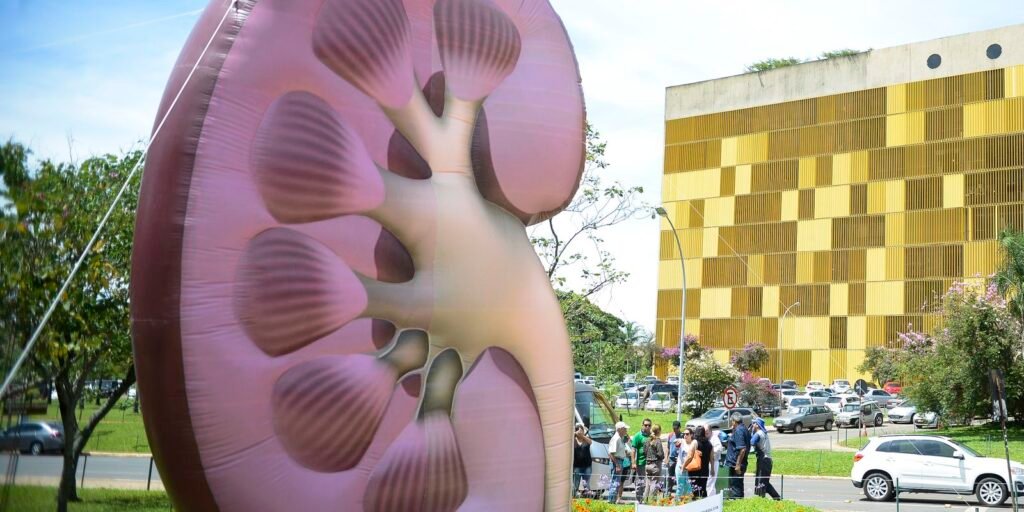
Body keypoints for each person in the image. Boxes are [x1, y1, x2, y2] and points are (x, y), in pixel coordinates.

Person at [750, 419, 781, 499]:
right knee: (764, 482)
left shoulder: (758, 434)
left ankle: (773, 498)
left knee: (762, 482)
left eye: (754, 423)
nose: (752, 425)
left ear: (757, 425)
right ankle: (777, 498)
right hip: (766, 460)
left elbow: (752, 442)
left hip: (764, 460)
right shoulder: (763, 433)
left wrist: (751, 432)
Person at [724, 413, 750, 499]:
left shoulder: (739, 431)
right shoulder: (743, 428)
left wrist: (738, 465)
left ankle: (737, 503)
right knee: (737, 486)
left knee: (736, 489)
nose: (731, 423)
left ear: (734, 421)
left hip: (735, 464)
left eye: (732, 421)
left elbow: (742, 449)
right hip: (738, 463)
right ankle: (739, 503)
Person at [607, 422, 632, 504]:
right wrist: (617, 465)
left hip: (620, 460)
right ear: (620, 429)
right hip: (617, 461)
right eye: (625, 429)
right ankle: (611, 500)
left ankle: (613, 500)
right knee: (615, 481)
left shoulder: (620, 438)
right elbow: (610, 453)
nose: (626, 430)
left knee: (617, 481)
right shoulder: (616, 439)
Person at [631, 418, 653, 503]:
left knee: (649, 483)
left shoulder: (652, 436)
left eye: (649, 425)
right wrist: (633, 463)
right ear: (642, 425)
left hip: (650, 463)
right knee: (640, 482)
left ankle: (646, 500)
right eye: (646, 425)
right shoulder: (637, 436)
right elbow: (633, 450)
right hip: (641, 463)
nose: (647, 427)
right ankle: (639, 500)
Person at [688, 426, 713, 498]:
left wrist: (684, 465)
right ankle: (704, 502)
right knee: (703, 489)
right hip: (705, 470)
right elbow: (712, 458)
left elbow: (689, 456)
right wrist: (712, 469)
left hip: (695, 469)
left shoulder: (695, 442)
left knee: (694, 489)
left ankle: (695, 503)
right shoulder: (709, 443)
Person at [644, 424, 665, 502]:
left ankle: (645, 500)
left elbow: (644, 452)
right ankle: (651, 501)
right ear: (658, 431)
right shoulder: (658, 441)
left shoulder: (647, 440)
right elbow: (660, 454)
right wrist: (662, 457)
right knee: (654, 484)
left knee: (648, 484)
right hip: (655, 465)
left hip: (647, 464)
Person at [572, 423, 593, 498]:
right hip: (577, 466)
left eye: (582, 430)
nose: (581, 432)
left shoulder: (586, 439)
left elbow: (591, 442)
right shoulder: (573, 440)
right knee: (576, 483)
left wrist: (583, 436)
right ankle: (574, 497)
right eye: (579, 431)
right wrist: (574, 433)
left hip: (587, 466)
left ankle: (588, 497)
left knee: (586, 483)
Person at [674, 428, 694, 497]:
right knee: (680, 486)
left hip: (689, 469)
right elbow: (676, 442)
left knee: (688, 487)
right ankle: (677, 501)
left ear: (691, 435)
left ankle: (688, 501)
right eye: (684, 434)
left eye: (687, 434)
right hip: (680, 468)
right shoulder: (682, 441)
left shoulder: (693, 443)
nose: (685, 435)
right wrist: (677, 442)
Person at [707, 425, 725, 496]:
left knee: (710, 481)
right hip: (707, 462)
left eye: (707, 432)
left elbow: (719, 448)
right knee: (709, 481)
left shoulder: (714, 438)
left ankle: (710, 498)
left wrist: (710, 452)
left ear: (710, 431)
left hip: (714, 462)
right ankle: (710, 496)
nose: (705, 434)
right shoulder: (707, 438)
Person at [666, 420, 682, 495]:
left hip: (680, 459)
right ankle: (669, 491)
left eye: (676, 428)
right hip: (671, 458)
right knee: (670, 476)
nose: (675, 430)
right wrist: (666, 458)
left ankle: (679, 492)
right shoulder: (670, 435)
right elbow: (668, 447)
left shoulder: (682, 436)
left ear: (679, 428)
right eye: (673, 428)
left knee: (679, 476)